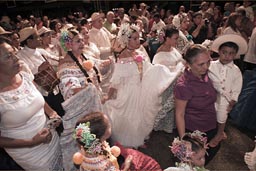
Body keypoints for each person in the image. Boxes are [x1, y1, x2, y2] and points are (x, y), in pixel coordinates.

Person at [105, 23, 178, 148]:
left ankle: (139, 139)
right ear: (126, 40)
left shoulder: (138, 52)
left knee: (140, 115)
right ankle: (129, 142)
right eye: (134, 38)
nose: (138, 40)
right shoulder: (123, 56)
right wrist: (109, 96)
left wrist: (161, 71)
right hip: (129, 92)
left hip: (141, 88)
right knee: (131, 116)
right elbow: (116, 80)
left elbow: (147, 68)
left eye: (138, 37)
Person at [0, 36, 62, 170]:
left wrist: (51, 113)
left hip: (51, 137)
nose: (17, 59)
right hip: (30, 153)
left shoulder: (23, 74)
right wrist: (32, 142)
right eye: (8, 57)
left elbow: (36, 95)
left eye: (14, 53)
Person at [58, 28, 104, 170]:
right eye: (78, 41)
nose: (82, 43)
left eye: (82, 40)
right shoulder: (65, 65)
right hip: (80, 112)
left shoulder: (83, 57)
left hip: (93, 107)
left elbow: (94, 74)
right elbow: (71, 90)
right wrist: (89, 89)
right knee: (85, 143)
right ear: (68, 45)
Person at [174, 44, 219, 164]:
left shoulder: (208, 75)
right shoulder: (184, 86)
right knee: (192, 163)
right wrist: (184, 140)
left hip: (211, 126)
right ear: (188, 64)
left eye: (208, 62)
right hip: (193, 132)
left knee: (204, 160)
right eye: (201, 64)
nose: (206, 67)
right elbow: (179, 114)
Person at [73, 111, 162, 171]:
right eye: (108, 125)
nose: (110, 124)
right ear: (102, 136)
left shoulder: (86, 145)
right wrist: (127, 165)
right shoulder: (104, 164)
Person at [208, 34, 248, 147]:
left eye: (231, 53)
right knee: (211, 114)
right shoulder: (211, 65)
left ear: (235, 55)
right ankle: (211, 130)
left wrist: (233, 100)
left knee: (222, 116)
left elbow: (237, 87)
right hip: (211, 96)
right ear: (219, 52)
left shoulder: (236, 71)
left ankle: (220, 133)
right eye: (224, 52)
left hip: (226, 99)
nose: (227, 56)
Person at [152, 26, 185, 133]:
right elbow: (159, 71)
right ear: (167, 38)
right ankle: (164, 126)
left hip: (177, 82)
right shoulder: (160, 53)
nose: (177, 41)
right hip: (167, 84)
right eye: (175, 38)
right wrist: (177, 69)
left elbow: (179, 60)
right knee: (167, 106)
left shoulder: (173, 48)